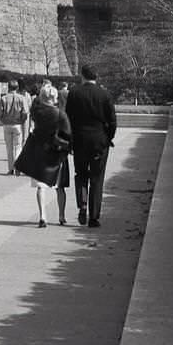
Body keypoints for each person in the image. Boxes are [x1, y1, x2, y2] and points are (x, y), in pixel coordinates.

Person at [13, 82, 73, 227]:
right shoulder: (60, 114)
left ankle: (42, 216)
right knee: (60, 188)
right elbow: (68, 134)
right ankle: (61, 215)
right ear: (55, 97)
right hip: (56, 153)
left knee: (41, 186)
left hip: (40, 151)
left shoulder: (37, 113)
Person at [66, 64, 117, 228]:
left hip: (80, 140)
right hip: (99, 141)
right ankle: (94, 216)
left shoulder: (74, 93)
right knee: (97, 178)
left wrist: (70, 139)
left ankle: (82, 204)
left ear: (82, 75)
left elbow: (68, 118)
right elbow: (112, 121)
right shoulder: (105, 94)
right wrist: (108, 137)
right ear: (97, 76)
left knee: (80, 174)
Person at [0, 78, 29, 175]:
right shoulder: (21, 98)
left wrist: (3, 120)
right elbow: (25, 112)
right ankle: (18, 166)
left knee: (9, 148)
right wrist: (22, 120)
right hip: (17, 124)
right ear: (17, 87)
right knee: (18, 146)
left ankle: (11, 168)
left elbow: (0, 112)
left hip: (7, 124)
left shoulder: (3, 98)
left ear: (8, 87)